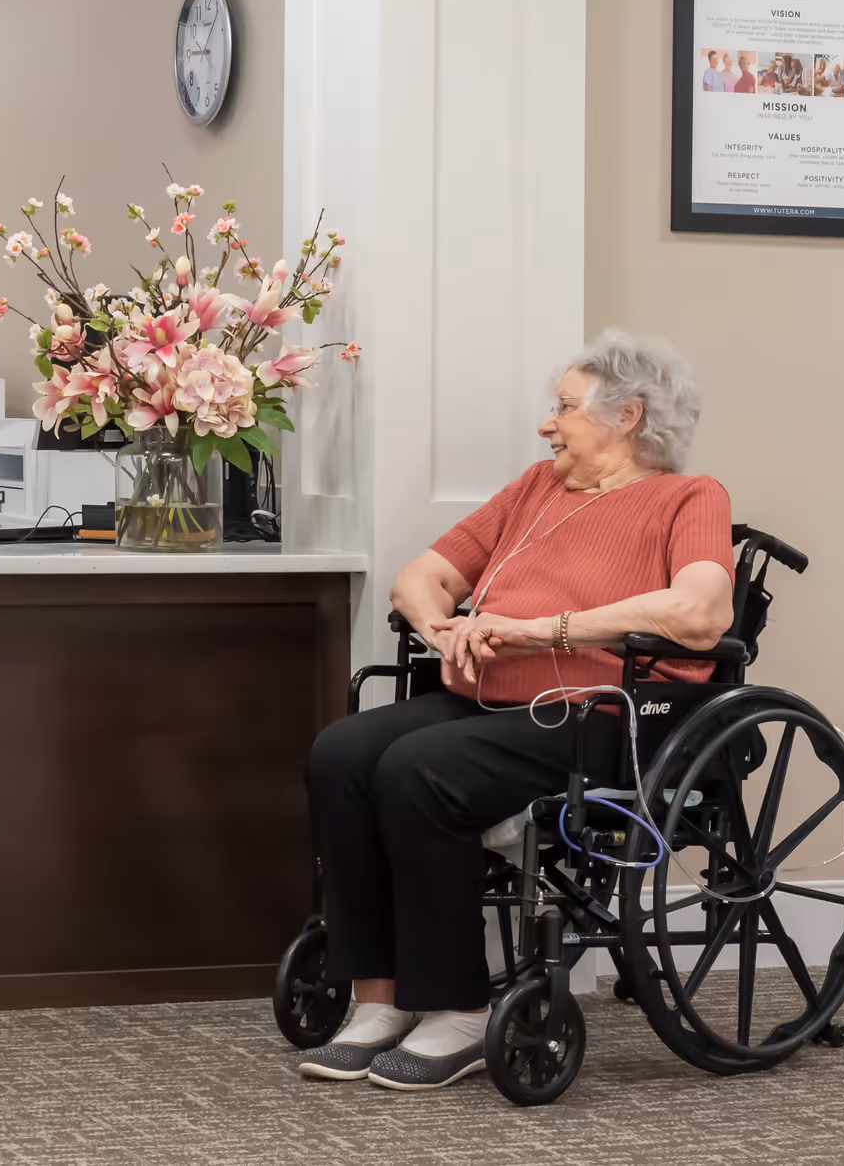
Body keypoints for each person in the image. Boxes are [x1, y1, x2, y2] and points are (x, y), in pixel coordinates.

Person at [294, 330, 733, 1092]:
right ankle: (378, 996)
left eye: (564, 407)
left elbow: (700, 613)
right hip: (481, 696)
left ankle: (459, 1010)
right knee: (342, 752)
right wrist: (444, 628)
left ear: (628, 416)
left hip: (601, 713)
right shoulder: (535, 490)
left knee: (420, 770)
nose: (547, 423)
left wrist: (540, 631)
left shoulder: (688, 499)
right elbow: (420, 575)